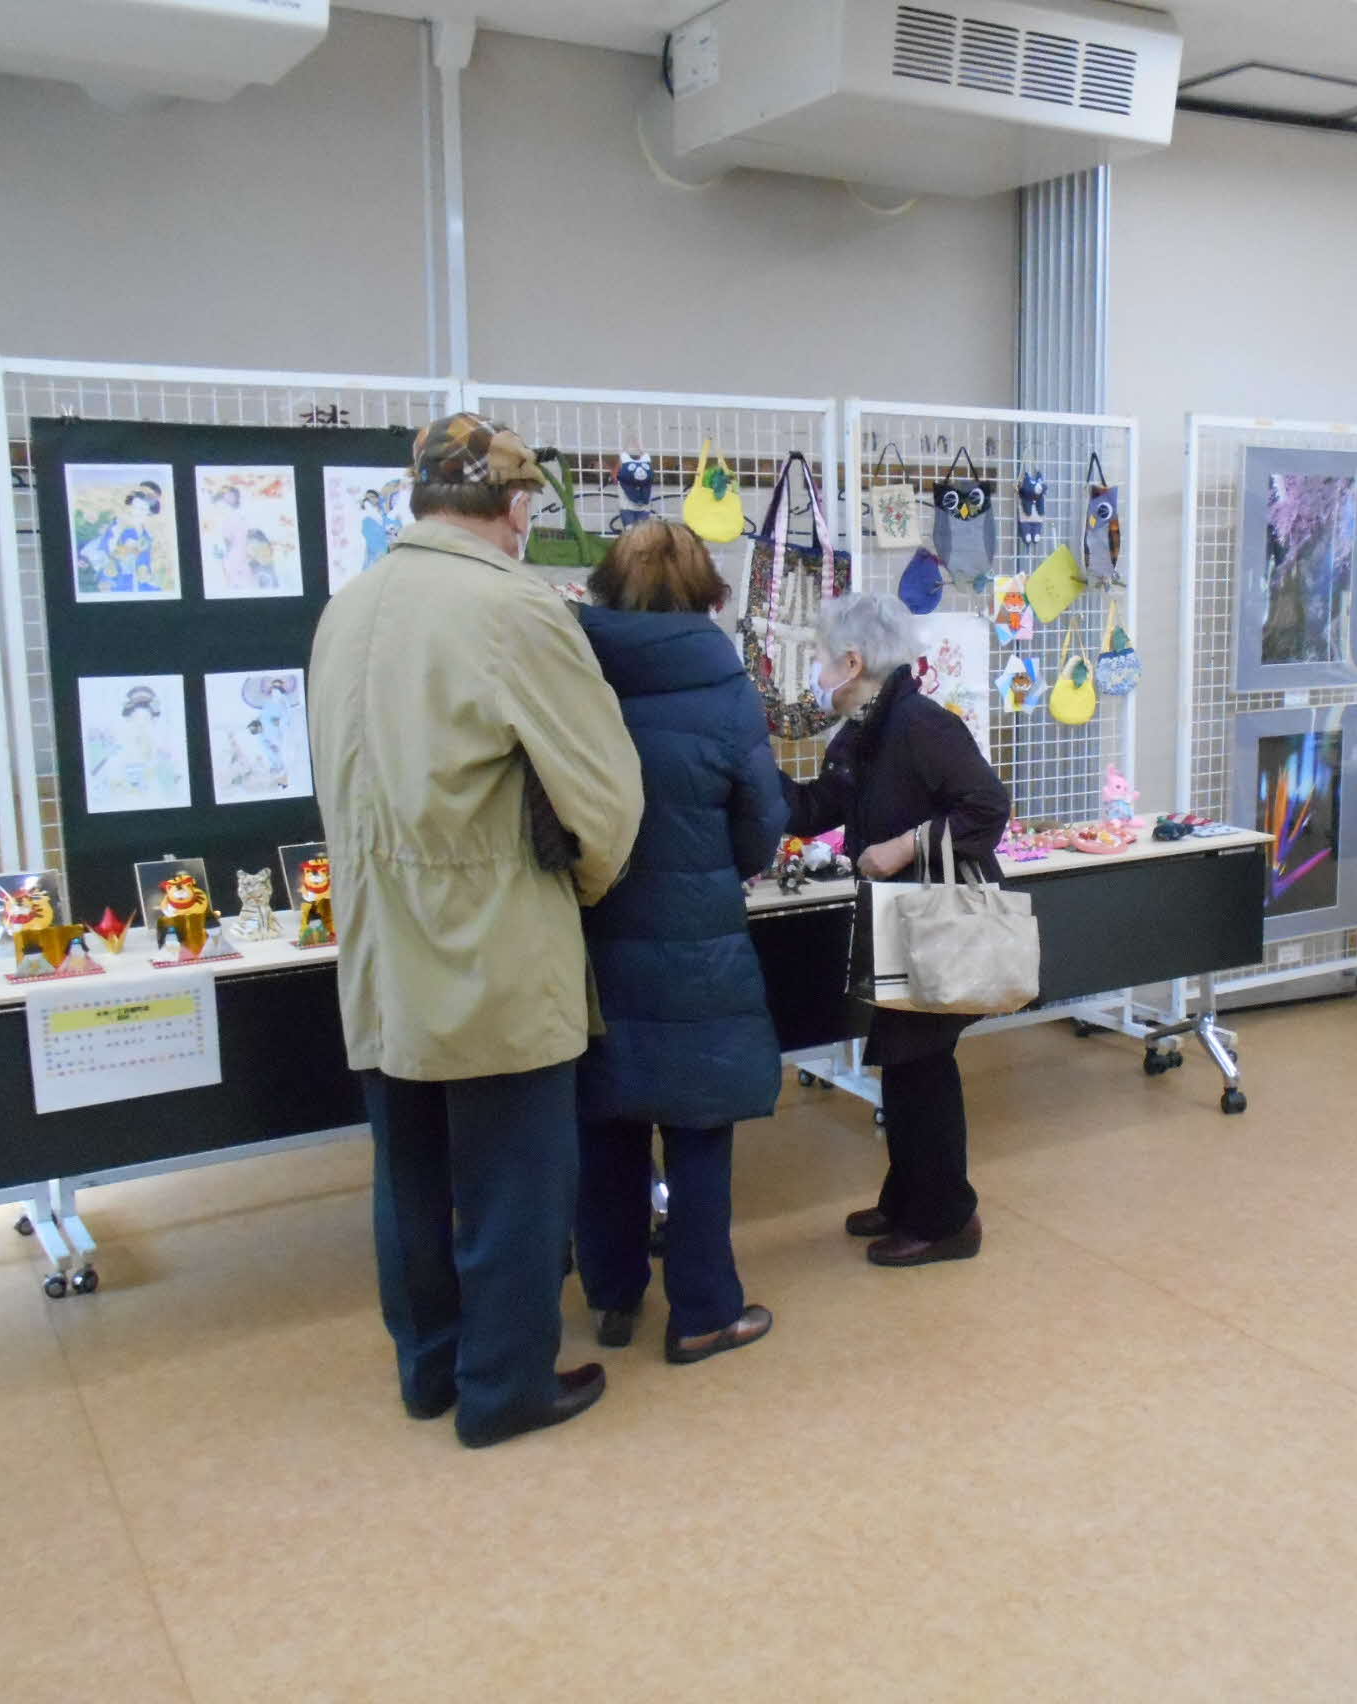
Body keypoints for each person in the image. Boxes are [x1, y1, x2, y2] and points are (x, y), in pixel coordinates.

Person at [309, 414, 643, 1448]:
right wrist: (584, 885)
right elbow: (602, 796)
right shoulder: (512, 609)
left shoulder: (348, 608)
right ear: (513, 505)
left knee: (408, 1170)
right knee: (512, 1180)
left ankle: (430, 1369)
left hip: (377, 940)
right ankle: (505, 1389)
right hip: (491, 934)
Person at [570, 520, 782, 1362]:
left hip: (591, 932)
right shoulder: (726, 687)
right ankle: (702, 1312)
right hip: (698, 942)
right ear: (708, 594)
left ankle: (612, 1298)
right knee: (699, 1129)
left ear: (604, 586)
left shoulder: (572, 669)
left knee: (605, 1121)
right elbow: (762, 824)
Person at [782, 593, 1011, 1266]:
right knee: (905, 1063)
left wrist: (905, 845)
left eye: (823, 661)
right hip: (897, 921)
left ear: (853, 662)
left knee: (921, 1066)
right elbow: (819, 806)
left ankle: (946, 1220)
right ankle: (909, 1194)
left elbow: (988, 807)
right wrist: (748, 783)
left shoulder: (918, 724)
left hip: (936, 920)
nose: (818, 674)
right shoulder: (864, 732)